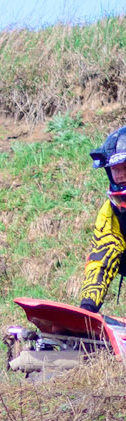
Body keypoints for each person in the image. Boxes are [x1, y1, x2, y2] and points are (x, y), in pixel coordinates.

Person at [80, 127, 126, 312]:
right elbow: (101, 260)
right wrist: (87, 308)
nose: (120, 174)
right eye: (115, 169)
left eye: (125, 167)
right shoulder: (111, 211)